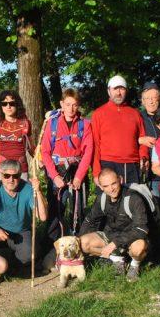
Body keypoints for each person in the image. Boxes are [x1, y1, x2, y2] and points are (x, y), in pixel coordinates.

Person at [40, 88, 93, 242]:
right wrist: (54, 176)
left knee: (78, 210)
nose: (71, 108)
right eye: (68, 104)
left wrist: (79, 177)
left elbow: (88, 152)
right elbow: (45, 152)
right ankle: (53, 245)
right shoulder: (52, 124)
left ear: (78, 106)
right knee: (56, 210)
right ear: (62, 104)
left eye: (74, 105)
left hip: (77, 170)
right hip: (57, 169)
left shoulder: (85, 125)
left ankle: (78, 244)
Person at [79, 169, 149, 282]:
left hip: (131, 238)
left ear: (120, 180)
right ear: (101, 187)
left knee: (139, 247)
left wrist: (115, 244)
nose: (111, 189)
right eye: (106, 186)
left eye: (114, 183)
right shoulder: (101, 198)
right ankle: (117, 260)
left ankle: (135, 265)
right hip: (110, 234)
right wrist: (77, 243)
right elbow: (89, 220)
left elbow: (141, 229)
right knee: (81, 243)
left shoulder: (134, 198)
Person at [0, 159, 47, 269]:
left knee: (28, 255)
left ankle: (6, 264)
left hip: (21, 232)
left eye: (15, 176)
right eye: (7, 176)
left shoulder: (28, 189)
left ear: (20, 175)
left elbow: (42, 217)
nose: (11, 180)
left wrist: (38, 191)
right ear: (1, 175)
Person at [91, 75, 149, 187]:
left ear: (126, 91)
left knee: (133, 201)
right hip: (108, 164)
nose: (118, 92)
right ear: (109, 91)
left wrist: (143, 156)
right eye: (115, 89)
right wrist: (96, 172)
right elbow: (95, 145)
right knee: (109, 202)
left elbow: (143, 139)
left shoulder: (135, 113)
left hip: (132, 165)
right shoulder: (99, 114)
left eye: (122, 89)